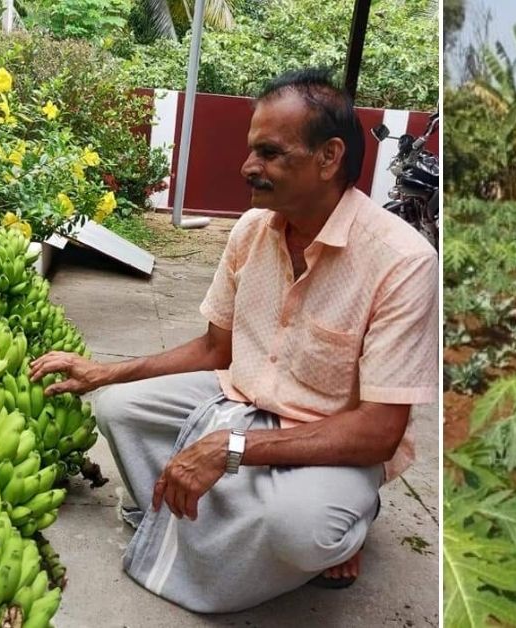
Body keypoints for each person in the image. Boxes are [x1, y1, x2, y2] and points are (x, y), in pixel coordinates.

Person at [27, 68, 438, 613]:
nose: (248, 167)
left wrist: (232, 448)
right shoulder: (251, 230)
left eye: (269, 152)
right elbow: (213, 350)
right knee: (119, 411)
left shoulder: (403, 262)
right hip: (239, 397)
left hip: (330, 436)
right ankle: (226, 508)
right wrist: (105, 371)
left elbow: (378, 431)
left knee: (302, 531)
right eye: (251, 150)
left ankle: (350, 522)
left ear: (329, 156)